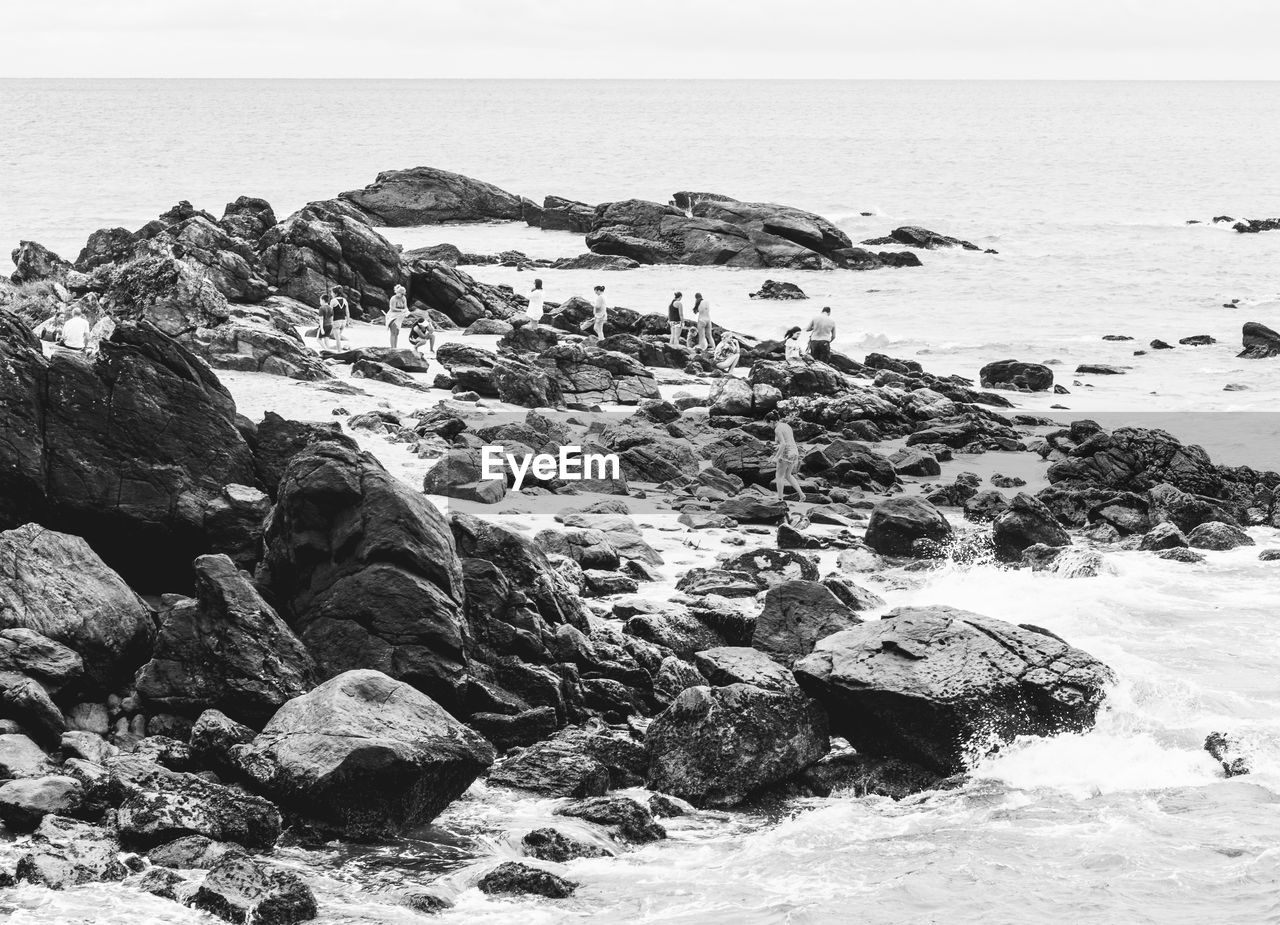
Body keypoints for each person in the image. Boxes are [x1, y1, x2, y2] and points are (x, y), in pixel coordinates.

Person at [770, 418, 805, 503]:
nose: (769, 426)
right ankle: (802, 494)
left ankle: (780, 499)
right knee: (788, 475)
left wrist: (776, 457)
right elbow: (788, 440)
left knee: (779, 475)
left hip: (786, 453)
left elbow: (783, 444)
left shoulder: (777, 429)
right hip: (794, 452)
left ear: (771, 421)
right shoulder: (787, 426)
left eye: (768, 424)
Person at [386, 283, 409, 348]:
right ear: (398, 292)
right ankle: (392, 348)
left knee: (397, 333)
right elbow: (392, 308)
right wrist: (401, 310)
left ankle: (395, 347)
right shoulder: (393, 298)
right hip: (392, 316)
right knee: (393, 333)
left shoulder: (403, 298)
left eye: (403, 294)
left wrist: (406, 311)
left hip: (399, 317)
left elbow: (405, 307)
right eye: (402, 294)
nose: (402, 295)